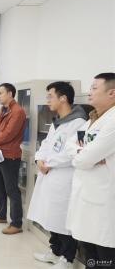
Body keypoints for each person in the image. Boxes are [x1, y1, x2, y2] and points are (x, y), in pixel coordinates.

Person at [27, 81, 88, 266]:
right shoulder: (58, 122)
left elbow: (74, 153)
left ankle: (67, 258)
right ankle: (55, 251)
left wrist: (48, 163)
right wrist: (39, 159)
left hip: (64, 178)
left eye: (50, 96)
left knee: (63, 219)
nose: (47, 100)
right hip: (49, 176)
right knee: (50, 216)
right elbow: (46, 144)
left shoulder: (79, 123)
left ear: (63, 98)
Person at [67, 73, 115, 264]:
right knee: (91, 254)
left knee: (105, 255)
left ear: (112, 93)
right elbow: (70, 146)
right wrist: (85, 154)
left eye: (94, 88)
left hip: (104, 200)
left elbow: (84, 159)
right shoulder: (92, 119)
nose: (89, 92)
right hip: (87, 197)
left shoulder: (113, 120)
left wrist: (84, 155)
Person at [0, 82, 27, 235]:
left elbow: (9, 134)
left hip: (10, 156)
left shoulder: (18, 112)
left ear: (10, 94)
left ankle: (16, 223)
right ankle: (1, 215)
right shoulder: (1, 111)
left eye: (0, 93)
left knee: (11, 189)